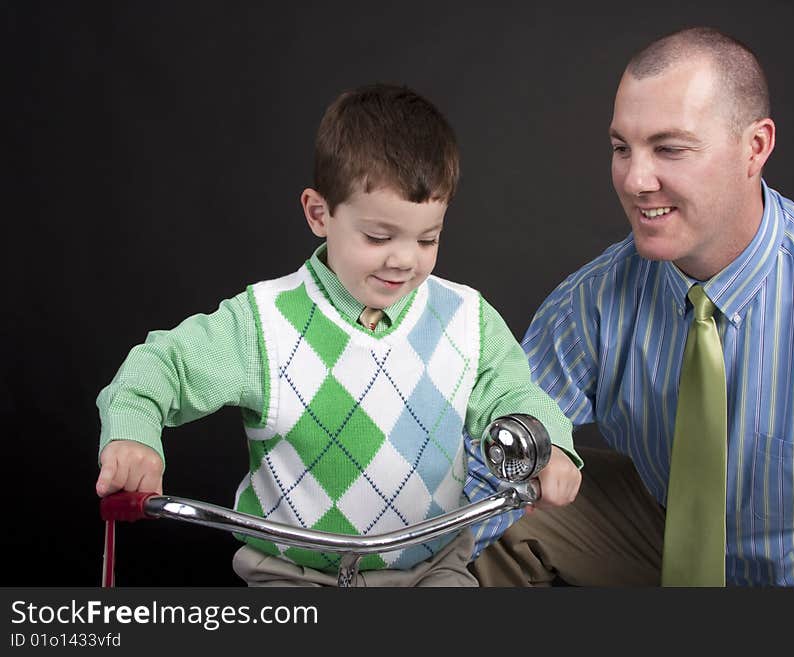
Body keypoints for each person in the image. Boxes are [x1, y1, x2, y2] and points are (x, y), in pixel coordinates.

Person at [94, 83, 582, 587]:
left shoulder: (466, 318)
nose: (404, 259)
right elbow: (163, 367)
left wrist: (548, 446)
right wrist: (134, 433)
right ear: (319, 214)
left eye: (427, 238)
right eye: (377, 237)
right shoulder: (262, 323)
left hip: (431, 569)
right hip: (292, 572)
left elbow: (512, 392)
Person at [470, 26, 794, 587]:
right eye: (621, 148)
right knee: (512, 501)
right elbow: (498, 445)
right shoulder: (594, 301)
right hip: (662, 545)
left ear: (754, 148)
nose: (635, 180)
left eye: (669, 148)